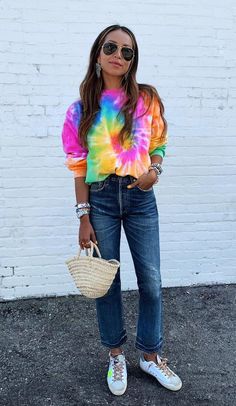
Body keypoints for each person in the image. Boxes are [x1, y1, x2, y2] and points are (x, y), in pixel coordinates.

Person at [61, 24, 182, 396]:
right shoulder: (81, 109)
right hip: (100, 199)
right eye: (111, 47)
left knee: (152, 282)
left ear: (133, 61)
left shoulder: (147, 99)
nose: (119, 55)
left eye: (127, 52)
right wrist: (83, 215)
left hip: (140, 197)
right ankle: (115, 353)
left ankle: (149, 354)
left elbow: (159, 141)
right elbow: (78, 165)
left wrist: (154, 171)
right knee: (106, 283)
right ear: (98, 54)